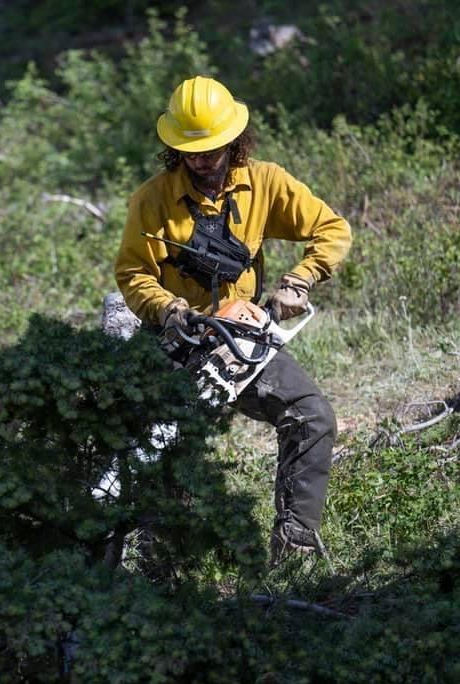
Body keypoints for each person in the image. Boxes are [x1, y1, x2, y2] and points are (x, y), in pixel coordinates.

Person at [114, 75, 352, 566]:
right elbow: (134, 270)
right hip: (175, 341)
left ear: (234, 138)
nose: (202, 158)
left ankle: (294, 552)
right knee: (165, 448)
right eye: (191, 149)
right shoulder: (152, 199)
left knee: (312, 417)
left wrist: (301, 280)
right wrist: (166, 309)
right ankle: (164, 569)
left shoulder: (265, 181)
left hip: (243, 338)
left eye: (213, 147)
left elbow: (331, 228)